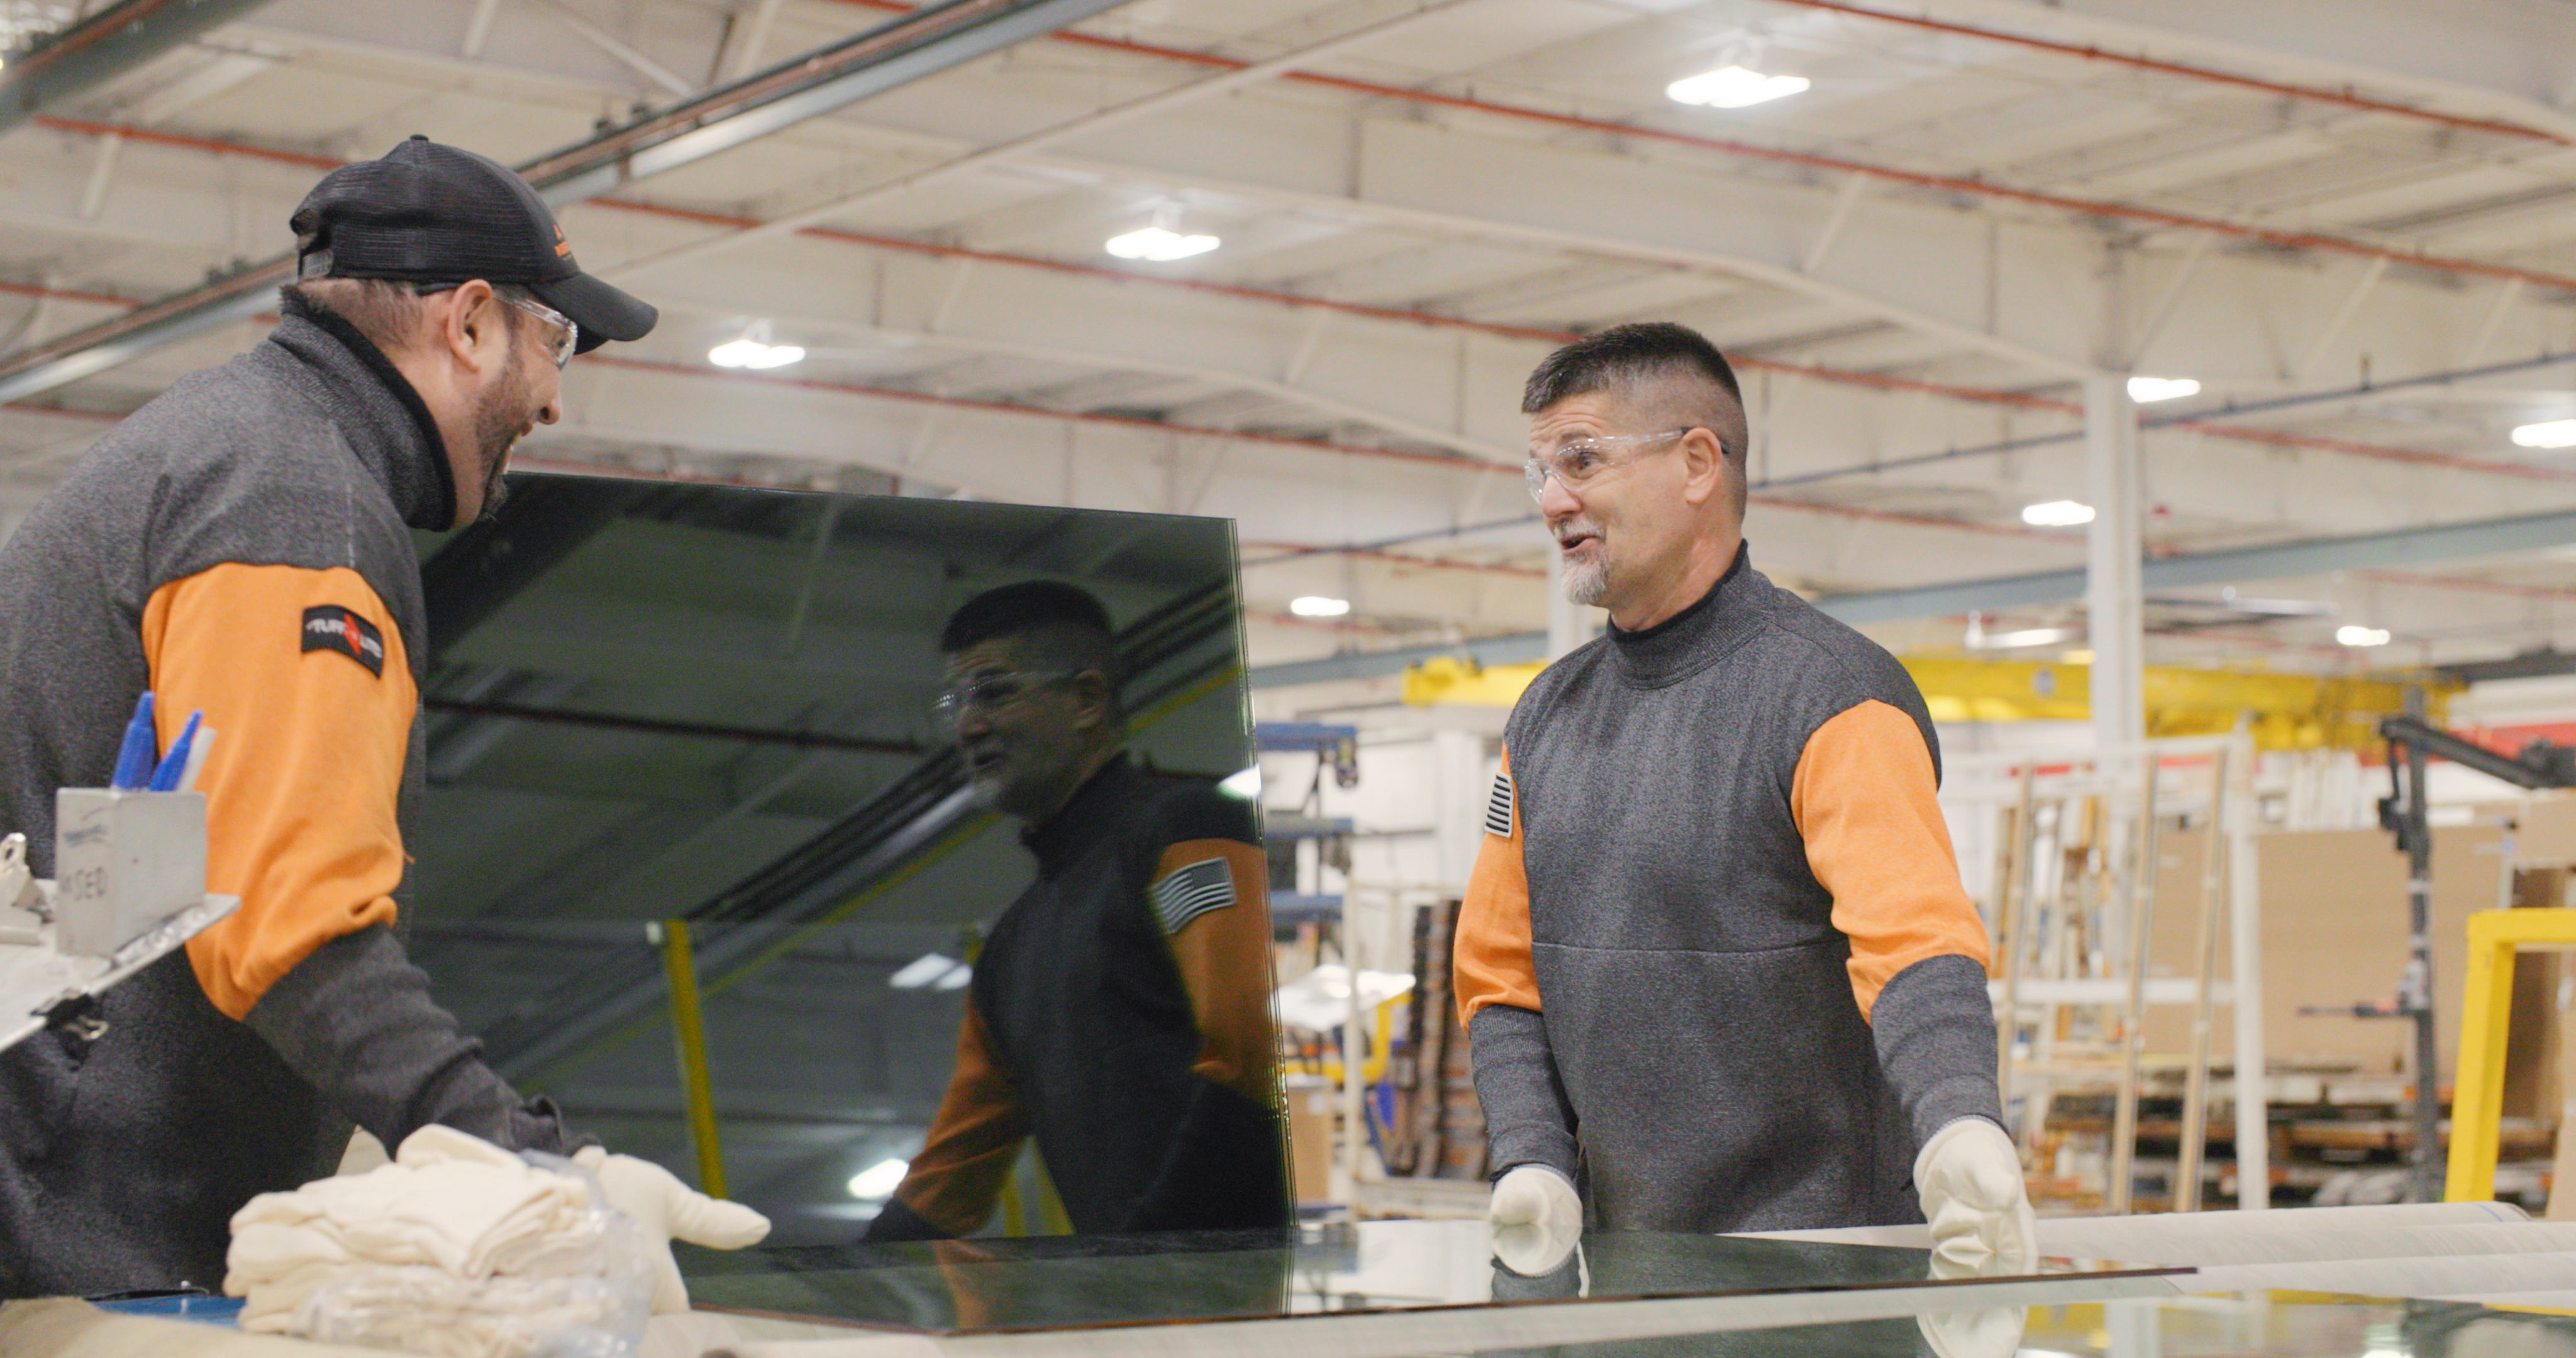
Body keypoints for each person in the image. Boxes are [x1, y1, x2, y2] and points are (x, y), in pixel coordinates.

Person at [0, 136, 763, 1298]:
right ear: (467, 323)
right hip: (85, 1248)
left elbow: (154, 875)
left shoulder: (210, 450)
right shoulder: (293, 502)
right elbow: (286, 917)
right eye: (554, 341)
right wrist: (544, 1173)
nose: (555, 398)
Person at [1453, 323, 2031, 1271]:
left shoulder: (1833, 697)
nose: (1553, 500)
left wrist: (1962, 1124)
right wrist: (1533, 1157)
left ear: (1695, 464)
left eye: (1583, 459)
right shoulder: (1542, 721)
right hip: (1622, 1277)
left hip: (1822, 1286)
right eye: (1539, 472)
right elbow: (1499, 976)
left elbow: (1915, 944)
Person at [866, 581, 1287, 1240]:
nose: (968, 726)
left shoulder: (1184, 831)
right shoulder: (1010, 950)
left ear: (1087, 700)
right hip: (1156, 1313)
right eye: (957, 702)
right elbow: (952, 1173)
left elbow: (1253, 1051)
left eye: (995, 693)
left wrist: (1148, 1255)